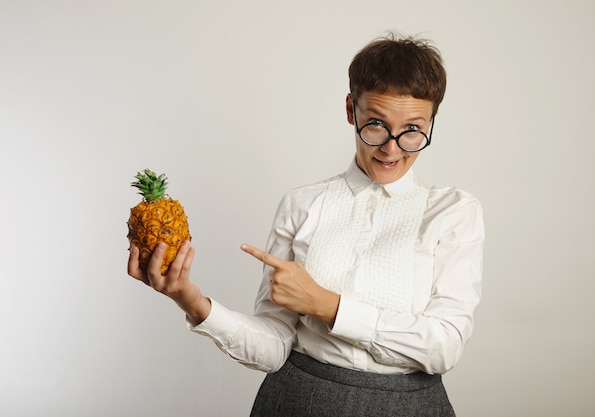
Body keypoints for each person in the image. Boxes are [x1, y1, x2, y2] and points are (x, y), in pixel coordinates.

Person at [128, 33, 484, 417]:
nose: (391, 148)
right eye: (376, 124)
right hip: (298, 400)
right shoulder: (302, 205)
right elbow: (273, 345)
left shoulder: (454, 211)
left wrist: (326, 305)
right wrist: (192, 302)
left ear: (432, 121)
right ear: (351, 110)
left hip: (411, 407)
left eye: (413, 129)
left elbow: (444, 347)